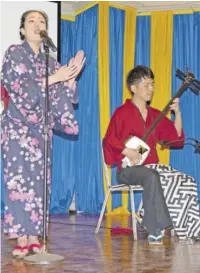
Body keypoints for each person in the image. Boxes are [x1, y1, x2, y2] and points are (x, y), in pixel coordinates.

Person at [1, 10, 85, 258]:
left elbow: (64, 96)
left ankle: (35, 236)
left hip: (41, 131)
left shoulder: (50, 61)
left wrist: (69, 79)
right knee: (19, 182)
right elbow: (17, 86)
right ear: (22, 29)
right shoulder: (14, 53)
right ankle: (21, 237)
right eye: (31, 21)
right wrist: (53, 78)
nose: (38, 24)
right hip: (17, 127)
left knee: (39, 183)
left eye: (42, 21)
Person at [103, 65, 200, 244]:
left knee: (187, 180)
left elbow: (175, 139)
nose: (151, 89)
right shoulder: (122, 113)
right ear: (134, 88)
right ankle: (155, 228)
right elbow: (108, 141)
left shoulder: (155, 114)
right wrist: (127, 151)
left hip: (151, 167)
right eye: (147, 85)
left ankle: (191, 228)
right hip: (128, 169)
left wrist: (177, 113)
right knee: (152, 175)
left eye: (152, 85)